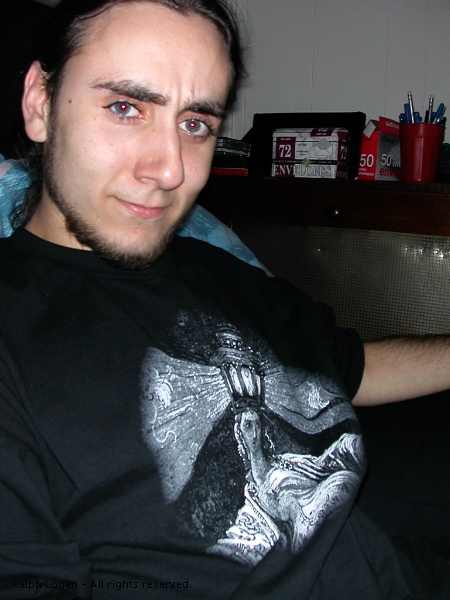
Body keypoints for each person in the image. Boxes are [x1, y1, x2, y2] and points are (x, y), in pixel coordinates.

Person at [0, 1, 449, 598]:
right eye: (126, 108)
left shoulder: (215, 268)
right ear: (40, 103)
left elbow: (352, 366)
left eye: (195, 125)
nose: (169, 171)